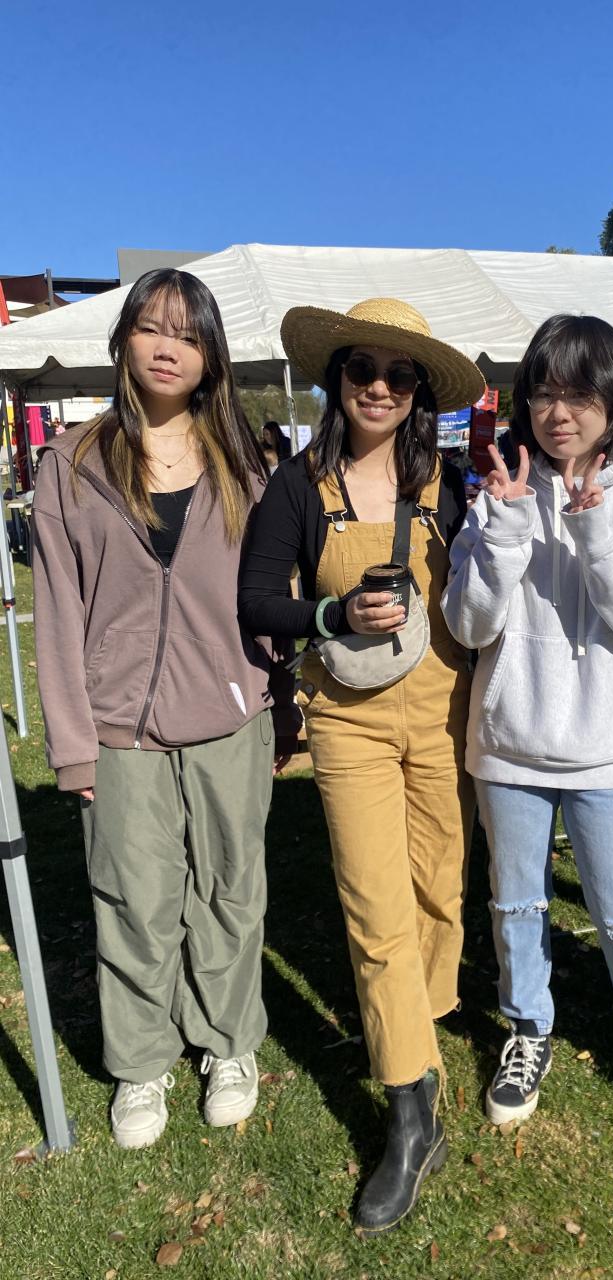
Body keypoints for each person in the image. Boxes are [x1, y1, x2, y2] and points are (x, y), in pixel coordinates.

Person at [31, 268, 299, 1150]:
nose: (166, 347)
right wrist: (73, 745)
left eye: (187, 334)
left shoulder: (245, 467)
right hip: (119, 727)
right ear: (123, 342)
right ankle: (142, 1060)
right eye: (151, 327)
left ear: (210, 355)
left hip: (231, 716)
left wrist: (279, 702)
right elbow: (58, 613)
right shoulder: (71, 464)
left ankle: (227, 1042)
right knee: (135, 900)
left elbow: (265, 599)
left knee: (229, 890)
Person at [238, 297, 485, 1236]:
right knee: (375, 908)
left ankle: (419, 1046)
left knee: (439, 894)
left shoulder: (451, 485)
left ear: (418, 391)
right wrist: (332, 615)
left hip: (444, 711)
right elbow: (254, 600)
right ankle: (409, 1110)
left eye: (399, 374)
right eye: (362, 370)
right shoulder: (298, 486)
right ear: (335, 379)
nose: (379, 387)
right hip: (348, 720)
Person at [441, 315, 613, 1137]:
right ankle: (528, 1030)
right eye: (545, 394)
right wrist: (507, 531)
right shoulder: (499, 491)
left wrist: (596, 535)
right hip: (509, 744)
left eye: (580, 395)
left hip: (605, 751)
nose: (559, 413)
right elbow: (469, 623)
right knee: (515, 905)